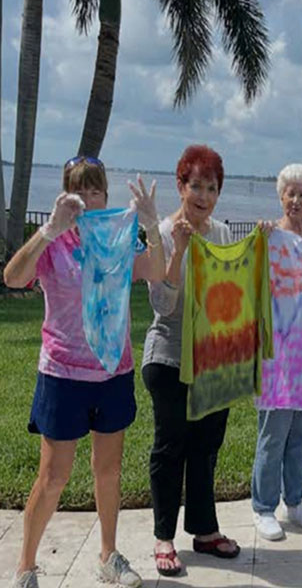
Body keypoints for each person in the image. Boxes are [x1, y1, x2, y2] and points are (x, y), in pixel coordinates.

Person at [5, 157, 164, 588]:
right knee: (54, 476)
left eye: (96, 191)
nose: (89, 200)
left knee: (108, 471)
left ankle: (109, 556)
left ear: (106, 198)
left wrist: (150, 225)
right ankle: (25, 567)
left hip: (112, 372)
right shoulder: (53, 244)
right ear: (65, 197)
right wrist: (48, 230)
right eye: (80, 191)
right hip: (62, 373)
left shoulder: (117, 241)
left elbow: (158, 270)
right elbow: (13, 277)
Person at [141, 146, 239, 577]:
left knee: (206, 447)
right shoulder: (161, 233)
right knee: (171, 446)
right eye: (195, 185)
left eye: (211, 187)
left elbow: (237, 292)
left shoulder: (220, 233)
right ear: (181, 186)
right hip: (168, 357)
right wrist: (179, 250)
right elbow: (163, 303)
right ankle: (164, 537)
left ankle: (203, 530)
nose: (203, 195)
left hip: (213, 361)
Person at [250, 164, 302, 540]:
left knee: (301, 431)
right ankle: (263, 507)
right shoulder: (270, 235)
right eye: (290, 193)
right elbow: (250, 280)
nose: (296, 200)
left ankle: (294, 501)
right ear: (281, 196)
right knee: (273, 432)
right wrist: (260, 242)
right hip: (277, 350)